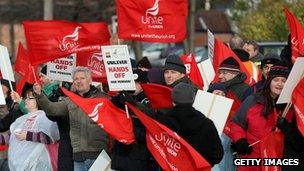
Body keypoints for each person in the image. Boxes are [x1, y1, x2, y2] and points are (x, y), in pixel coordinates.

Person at [33, 66, 109, 171]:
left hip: (99, 157)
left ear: (90, 80)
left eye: (82, 78)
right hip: (78, 159)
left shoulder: (104, 99)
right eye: (76, 79)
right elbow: (52, 109)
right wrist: (39, 95)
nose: (78, 81)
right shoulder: (70, 100)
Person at [230, 63, 292, 171]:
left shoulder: (290, 106)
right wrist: (240, 140)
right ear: (269, 81)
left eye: (283, 81)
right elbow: (237, 123)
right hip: (252, 158)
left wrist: (286, 127)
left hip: (277, 159)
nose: (280, 84)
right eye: (276, 80)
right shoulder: (253, 100)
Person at [157, 82, 223, 166]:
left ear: (173, 100)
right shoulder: (206, 123)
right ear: (193, 99)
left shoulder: (163, 122)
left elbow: (157, 149)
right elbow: (218, 155)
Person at [0, 90, 59, 170]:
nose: (26, 100)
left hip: (37, 164)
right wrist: (1, 138)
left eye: (30, 98)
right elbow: (12, 137)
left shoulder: (45, 116)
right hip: (19, 164)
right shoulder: (21, 119)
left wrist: (27, 135)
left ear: (39, 101)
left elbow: (51, 137)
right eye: (26, 98)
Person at [111, 69, 155, 171]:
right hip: (120, 155)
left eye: (137, 83)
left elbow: (149, 126)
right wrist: (116, 101)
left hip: (137, 157)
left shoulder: (149, 102)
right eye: (131, 83)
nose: (133, 86)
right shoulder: (124, 99)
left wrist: (131, 130)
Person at [39, 65, 74, 171]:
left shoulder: (68, 89)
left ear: (51, 77)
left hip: (75, 143)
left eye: (42, 76)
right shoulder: (50, 93)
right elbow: (53, 115)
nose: (40, 79)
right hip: (64, 142)